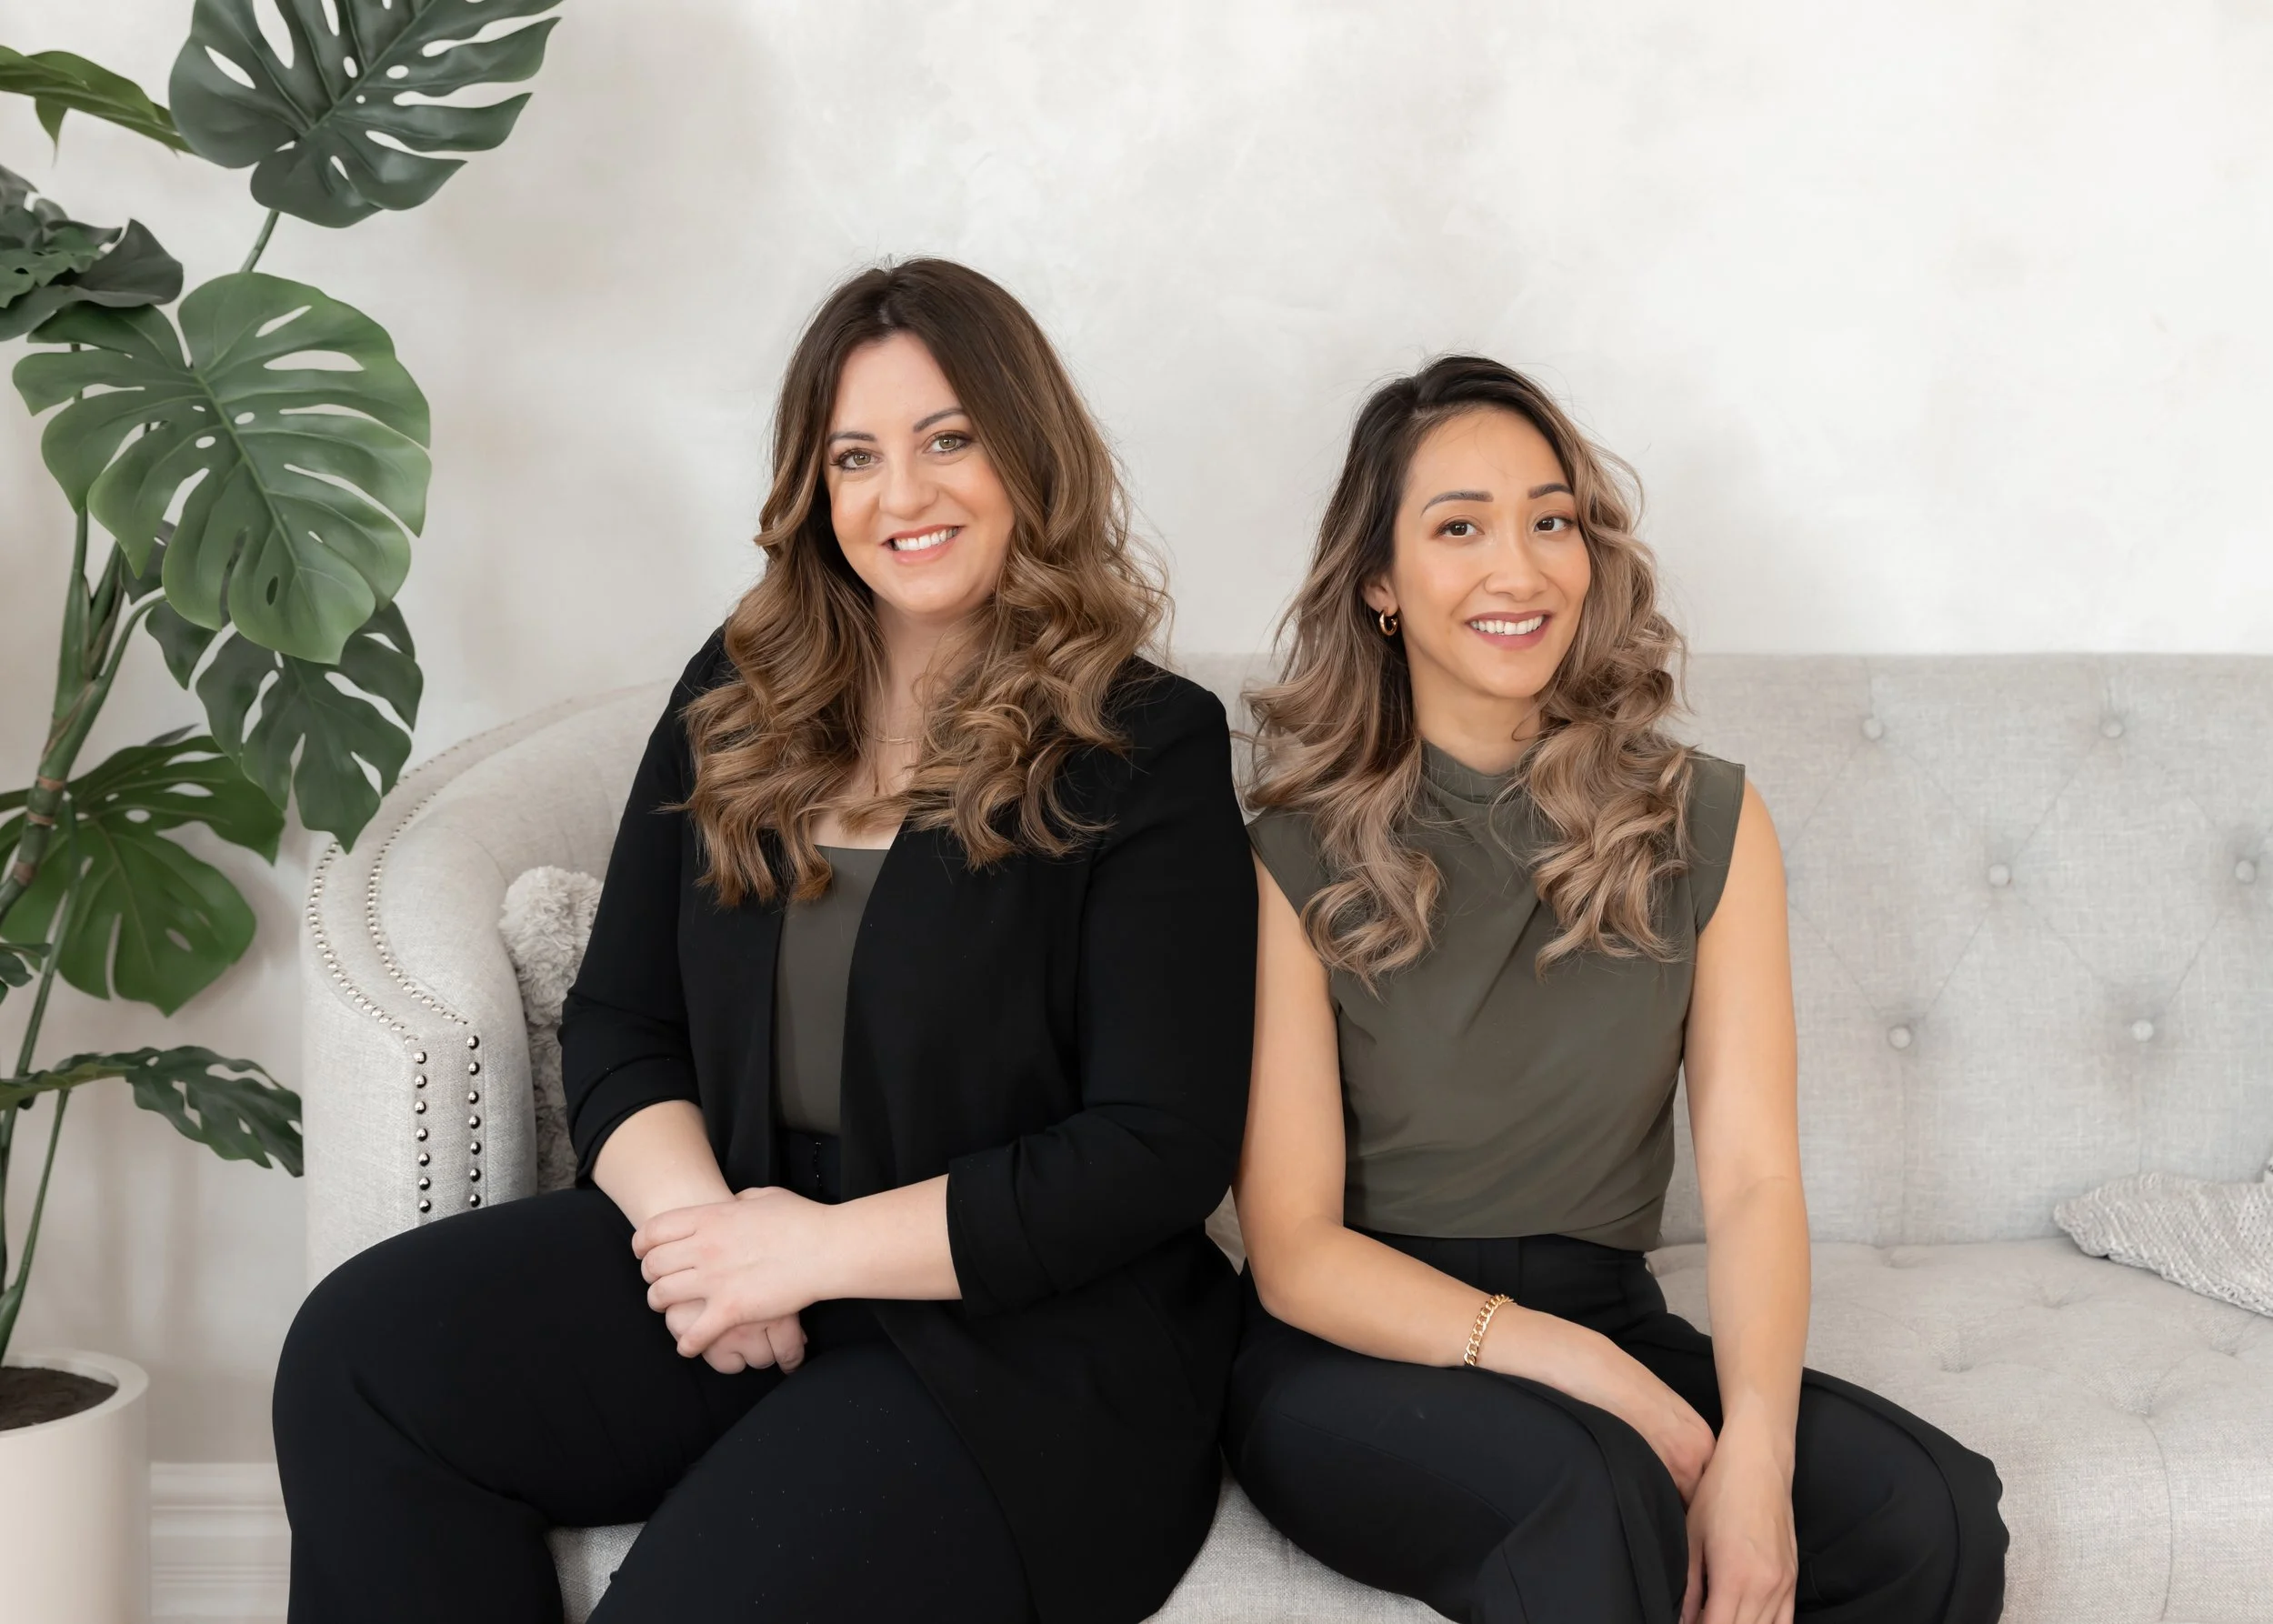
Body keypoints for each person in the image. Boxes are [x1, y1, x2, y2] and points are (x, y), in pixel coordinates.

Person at [272, 259, 1257, 1624]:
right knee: (361, 1358)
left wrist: (815, 1253)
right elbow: (622, 1018)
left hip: (1023, 1344)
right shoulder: (740, 691)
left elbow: (1158, 1144)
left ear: (1031, 452)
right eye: (856, 455)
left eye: (947, 439)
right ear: (816, 486)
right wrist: (707, 1241)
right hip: (743, 1235)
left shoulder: (1145, 743)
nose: (900, 494)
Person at [1226, 355, 2007, 1624]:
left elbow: (1753, 1177)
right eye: (1460, 527)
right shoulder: (1289, 846)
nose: (1520, 568)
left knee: (1928, 1508)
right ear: (1379, 581)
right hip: (1357, 1350)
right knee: (1596, 1490)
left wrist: (1755, 1439)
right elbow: (1296, 1251)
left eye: (1552, 519)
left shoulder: (1706, 817)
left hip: (1603, 1306)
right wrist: (1593, 1372)